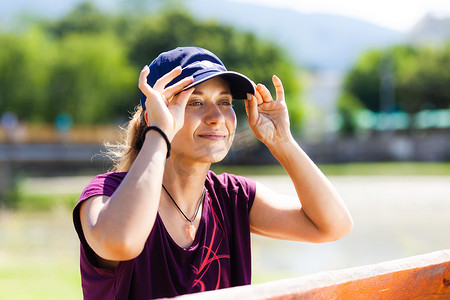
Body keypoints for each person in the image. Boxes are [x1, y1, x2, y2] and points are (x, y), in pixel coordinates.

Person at [73, 46, 353, 299]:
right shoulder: (105, 194)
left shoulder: (233, 197)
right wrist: (159, 131)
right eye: (194, 102)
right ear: (154, 114)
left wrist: (283, 143)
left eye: (225, 102)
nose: (216, 117)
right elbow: (122, 242)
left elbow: (332, 225)